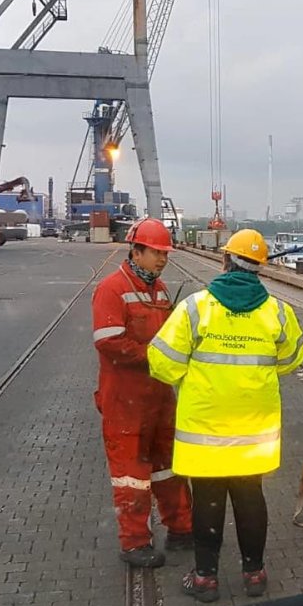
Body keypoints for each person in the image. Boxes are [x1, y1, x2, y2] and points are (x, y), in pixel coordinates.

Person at [147, 229, 303, 603]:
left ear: (224, 261)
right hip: (254, 433)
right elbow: (292, 358)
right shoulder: (278, 313)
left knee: (208, 503)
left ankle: (205, 579)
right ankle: (254, 574)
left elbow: (162, 363)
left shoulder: (195, 308)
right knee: (251, 499)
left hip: (204, 433)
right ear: (260, 270)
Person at [91, 217, 194, 568]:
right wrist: (156, 355)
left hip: (160, 398)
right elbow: (109, 343)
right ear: (136, 251)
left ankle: (181, 529)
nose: (162, 259)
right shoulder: (111, 288)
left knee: (168, 467)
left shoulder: (160, 290)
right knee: (131, 475)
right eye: (156, 253)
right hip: (125, 401)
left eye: (165, 253)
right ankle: (135, 543)